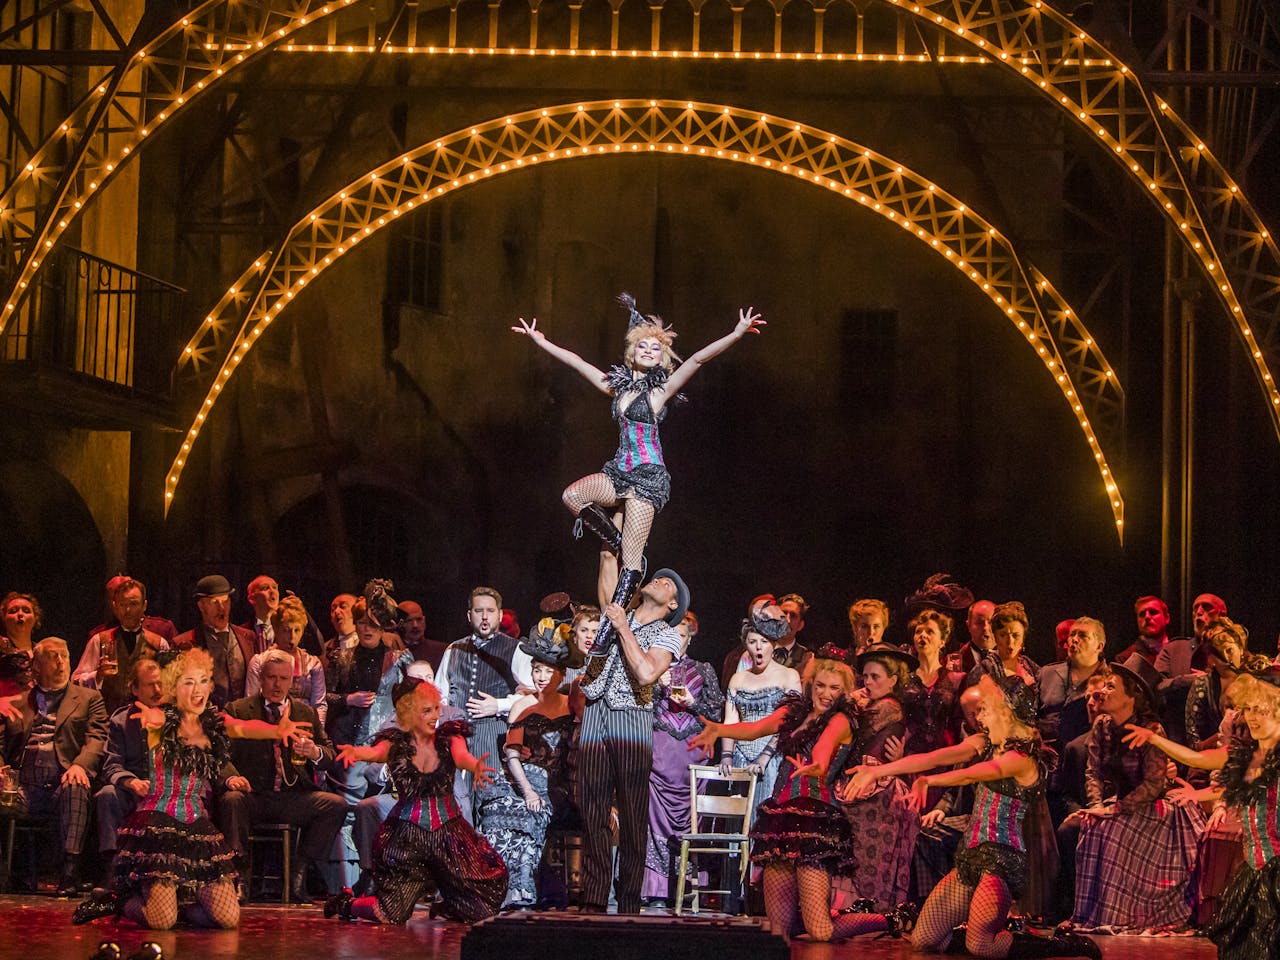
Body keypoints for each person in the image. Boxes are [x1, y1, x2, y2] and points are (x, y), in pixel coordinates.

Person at [512, 293, 765, 653]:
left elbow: (696, 359)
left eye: (655, 347)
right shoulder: (616, 387)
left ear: (661, 356)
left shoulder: (660, 392)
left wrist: (737, 333)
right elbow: (577, 362)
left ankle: (606, 632)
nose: (648, 350)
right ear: (631, 352)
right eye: (642, 345)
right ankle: (620, 543)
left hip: (647, 478)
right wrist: (541, 341)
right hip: (618, 472)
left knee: (630, 564)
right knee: (572, 496)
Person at [843, 675, 1102, 959]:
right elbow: (937, 757)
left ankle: (1061, 945)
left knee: (980, 945)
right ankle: (989, 934)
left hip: (1001, 860)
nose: (979, 715)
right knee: (924, 939)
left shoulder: (1021, 758)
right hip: (971, 855)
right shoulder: (985, 742)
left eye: (985, 707)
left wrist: (931, 782)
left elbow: (973, 774)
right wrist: (877, 771)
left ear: (1006, 711)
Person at [689, 652, 904, 942]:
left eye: (834, 688)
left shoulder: (841, 720)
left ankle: (888, 919)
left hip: (815, 820)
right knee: (778, 931)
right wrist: (719, 730)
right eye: (821, 686)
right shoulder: (794, 713)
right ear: (811, 685)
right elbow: (754, 729)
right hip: (779, 818)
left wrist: (818, 764)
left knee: (820, 931)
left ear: (843, 692)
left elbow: (825, 746)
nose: (826, 694)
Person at [1121, 670, 1280, 959]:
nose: (1252, 718)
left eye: (1261, 711)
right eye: (1248, 710)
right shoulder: (1245, 755)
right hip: (1255, 870)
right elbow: (1198, 759)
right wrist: (1155, 740)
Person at [326, 678, 507, 924]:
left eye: (436, 708)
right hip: (406, 839)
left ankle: (450, 906)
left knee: (481, 908)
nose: (435, 716)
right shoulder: (396, 742)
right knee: (390, 914)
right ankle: (347, 904)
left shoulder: (449, 737)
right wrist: (357, 752)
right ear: (409, 713)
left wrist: (474, 766)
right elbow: (376, 753)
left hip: (449, 836)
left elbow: (462, 756)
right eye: (426, 711)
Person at [576, 550, 687, 914]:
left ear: (672, 605)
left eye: (669, 584)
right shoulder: (619, 607)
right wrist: (610, 550)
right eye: (659, 576)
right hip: (596, 710)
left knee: (633, 813)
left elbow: (645, 673)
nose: (660, 579)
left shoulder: (668, 634)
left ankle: (628, 904)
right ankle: (594, 899)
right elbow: (608, 568)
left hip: (632, 720)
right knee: (592, 809)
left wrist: (623, 627)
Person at [1067, 661, 1206, 933]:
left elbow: (1153, 784)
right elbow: (1092, 771)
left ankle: (1124, 914)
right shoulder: (1102, 726)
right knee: (1088, 827)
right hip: (1120, 804)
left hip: (1157, 809)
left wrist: (1117, 809)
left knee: (1112, 833)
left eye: (1111, 687)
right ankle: (1089, 912)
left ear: (1132, 697)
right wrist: (1097, 807)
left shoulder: (1150, 730)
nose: (1103, 692)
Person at [221, 648, 348, 902]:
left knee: (335, 805)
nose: (277, 684)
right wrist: (231, 777)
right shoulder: (238, 709)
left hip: (292, 796)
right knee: (231, 800)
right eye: (271, 677)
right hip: (253, 793)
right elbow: (220, 755)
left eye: (283, 678)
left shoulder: (305, 713)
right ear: (261, 678)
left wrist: (313, 752)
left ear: (292, 681)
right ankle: (239, 878)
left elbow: (331, 756)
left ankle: (299, 875)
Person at [0, 636, 108, 895]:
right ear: (36, 666)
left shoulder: (89, 698)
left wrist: (81, 765)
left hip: (62, 782)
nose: (60, 662)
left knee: (76, 787)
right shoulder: (17, 701)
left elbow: (97, 738)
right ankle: (7, 873)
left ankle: (70, 872)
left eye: (64, 655)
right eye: (52, 656)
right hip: (23, 786)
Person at [480, 621, 574, 910]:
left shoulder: (571, 705)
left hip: (555, 783)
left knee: (531, 816)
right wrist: (527, 791)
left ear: (560, 674)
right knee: (498, 810)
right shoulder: (522, 705)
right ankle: (494, 890)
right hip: (522, 779)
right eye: (537, 670)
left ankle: (522, 892)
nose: (542, 677)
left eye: (548, 671)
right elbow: (512, 754)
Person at [643, 610, 724, 906]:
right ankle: (656, 887)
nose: (676, 641)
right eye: (670, 636)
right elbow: (639, 712)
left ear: (690, 638)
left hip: (692, 750)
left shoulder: (703, 670)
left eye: (681, 635)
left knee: (693, 817)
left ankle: (689, 885)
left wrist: (694, 703)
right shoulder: (650, 667)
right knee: (657, 818)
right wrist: (654, 684)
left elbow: (716, 714)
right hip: (661, 751)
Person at [435, 586, 532, 824]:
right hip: (455, 738)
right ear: (470, 616)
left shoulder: (515, 649)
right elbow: (439, 695)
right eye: (479, 611)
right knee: (455, 804)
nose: (485, 617)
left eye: (490, 611)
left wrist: (498, 705)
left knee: (488, 803)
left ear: (500, 615)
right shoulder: (454, 649)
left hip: (492, 734)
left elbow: (531, 696)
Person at [839, 642, 919, 910]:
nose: (868, 682)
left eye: (876, 677)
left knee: (870, 862)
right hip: (867, 790)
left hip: (877, 794)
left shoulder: (887, 706)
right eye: (866, 676)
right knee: (860, 859)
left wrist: (850, 701)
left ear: (893, 680)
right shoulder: (872, 704)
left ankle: (871, 916)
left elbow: (851, 731)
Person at [719, 608, 802, 818]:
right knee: (738, 820)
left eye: (764, 642)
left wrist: (765, 758)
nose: (758, 648)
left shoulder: (788, 676)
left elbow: (788, 722)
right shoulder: (738, 679)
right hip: (741, 757)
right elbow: (731, 721)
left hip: (773, 758)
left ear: (773, 645)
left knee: (764, 818)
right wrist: (726, 756)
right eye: (753, 642)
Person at [91, 657, 166, 886]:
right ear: (134, 689)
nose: (157, 690)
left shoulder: (175, 718)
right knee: (107, 794)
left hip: (167, 790)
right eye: (150, 685)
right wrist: (131, 782)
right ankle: (112, 869)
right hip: (134, 790)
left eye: (160, 683)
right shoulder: (120, 720)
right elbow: (111, 765)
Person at [74, 578, 169, 713]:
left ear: (144, 605)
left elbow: (169, 687)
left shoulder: (159, 644)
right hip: (106, 720)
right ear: (115, 607)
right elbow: (76, 682)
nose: (128, 610)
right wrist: (98, 676)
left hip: (146, 721)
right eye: (122, 604)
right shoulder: (99, 640)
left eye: (134, 604)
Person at [172, 575, 257, 707]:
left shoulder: (248, 638)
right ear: (201, 606)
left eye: (225, 601)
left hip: (242, 720)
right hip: (206, 720)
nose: (221, 608)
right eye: (214, 602)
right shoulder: (184, 642)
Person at [246, 595, 327, 727]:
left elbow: (319, 704)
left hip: (303, 728)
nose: (292, 637)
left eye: (297, 630)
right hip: (269, 727)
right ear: (276, 629)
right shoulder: (259, 662)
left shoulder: (313, 663)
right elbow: (251, 703)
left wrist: (315, 733)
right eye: (286, 630)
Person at [900, 608, 965, 756]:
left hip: (944, 758)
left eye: (929, 631)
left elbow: (959, 724)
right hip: (909, 758)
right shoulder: (904, 679)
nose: (922, 635)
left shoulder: (955, 679)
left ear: (942, 641)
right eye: (918, 632)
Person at [1037, 617, 1107, 751]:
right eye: (1072, 634)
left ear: (1099, 646)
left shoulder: (1110, 681)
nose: (1074, 639)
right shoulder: (1047, 674)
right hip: (1044, 758)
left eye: (1083, 636)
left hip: (1084, 758)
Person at [0, 591, 40, 697]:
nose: (20, 614)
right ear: (4, 618)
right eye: (13, 611)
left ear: (35, 618)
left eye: (26, 611)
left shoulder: (41, 650)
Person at [948, 599, 996, 674]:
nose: (985, 628)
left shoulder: (1013, 659)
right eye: (979, 622)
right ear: (968, 625)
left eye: (991, 622)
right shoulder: (955, 661)